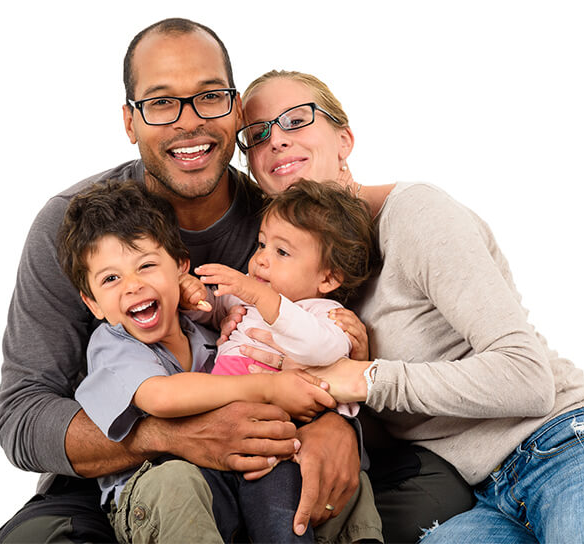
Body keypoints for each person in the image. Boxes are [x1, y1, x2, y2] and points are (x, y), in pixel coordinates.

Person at [228, 69, 584, 543]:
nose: (275, 139)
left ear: (344, 140)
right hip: (479, 496)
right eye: (258, 134)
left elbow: (528, 377)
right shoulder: (300, 284)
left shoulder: (416, 215)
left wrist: (365, 376)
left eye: (297, 120)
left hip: (563, 447)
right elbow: (397, 417)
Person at [0, 20, 370, 543]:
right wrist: (173, 436)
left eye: (209, 96)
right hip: (116, 481)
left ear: (236, 109)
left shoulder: (290, 228)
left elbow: (340, 353)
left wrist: (338, 427)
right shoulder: (73, 226)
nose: (189, 123)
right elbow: (22, 417)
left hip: (273, 455)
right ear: (130, 120)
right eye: (162, 102)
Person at [58, 179, 360, 542]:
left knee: (288, 458)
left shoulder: (203, 329)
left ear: (181, 269)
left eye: (147, 266)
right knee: (177, 483)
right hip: (156, 488)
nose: (132, 286)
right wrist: (270, 387)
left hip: (224, 478)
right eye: (110, 279)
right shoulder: (112, 343)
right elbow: (162, 397)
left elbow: (230, 313)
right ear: (92, 304)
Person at [183, 180, 375, 419]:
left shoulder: (328, 314)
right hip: (222, 394)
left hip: (279, 413)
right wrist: (192, 299)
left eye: (282, 252)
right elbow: (215, 309)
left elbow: (319, 350)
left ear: (328, 278)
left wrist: (263, 298)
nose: (261, 258)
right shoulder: (249, 289)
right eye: (262, 244)